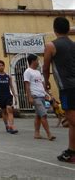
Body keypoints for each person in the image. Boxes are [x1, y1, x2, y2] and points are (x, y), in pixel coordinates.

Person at [43, 16, 75, 163]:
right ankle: (71, 150)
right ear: (68, 30)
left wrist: (46, 81)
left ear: (55, 29)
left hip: (67, 87)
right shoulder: (73, 45)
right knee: (71, 121)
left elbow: (45, 66)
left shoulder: (51, 46)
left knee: (72, 120)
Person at [23, 54, 55, 140]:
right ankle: (49, 134)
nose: (38, 62)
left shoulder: (37, 72)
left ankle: (36, 134)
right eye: (37, 60)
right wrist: (29, 97)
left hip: (42, 96)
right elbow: (27, 85)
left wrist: (47, 94)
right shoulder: (27, 71)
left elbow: (42, 84)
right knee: (43, 115)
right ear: (33, 61)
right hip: (35, 96)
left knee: (38, 115)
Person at [0, 60, 18, 134]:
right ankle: (7, 125)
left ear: (4, 66)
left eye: (2, 65)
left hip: (8, 96)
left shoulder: (8, 76)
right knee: (4, 111)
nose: (1, 67)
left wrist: (15, 97)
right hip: (1, 97)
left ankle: (12, 126)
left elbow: (12, 87)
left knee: (9, 109)